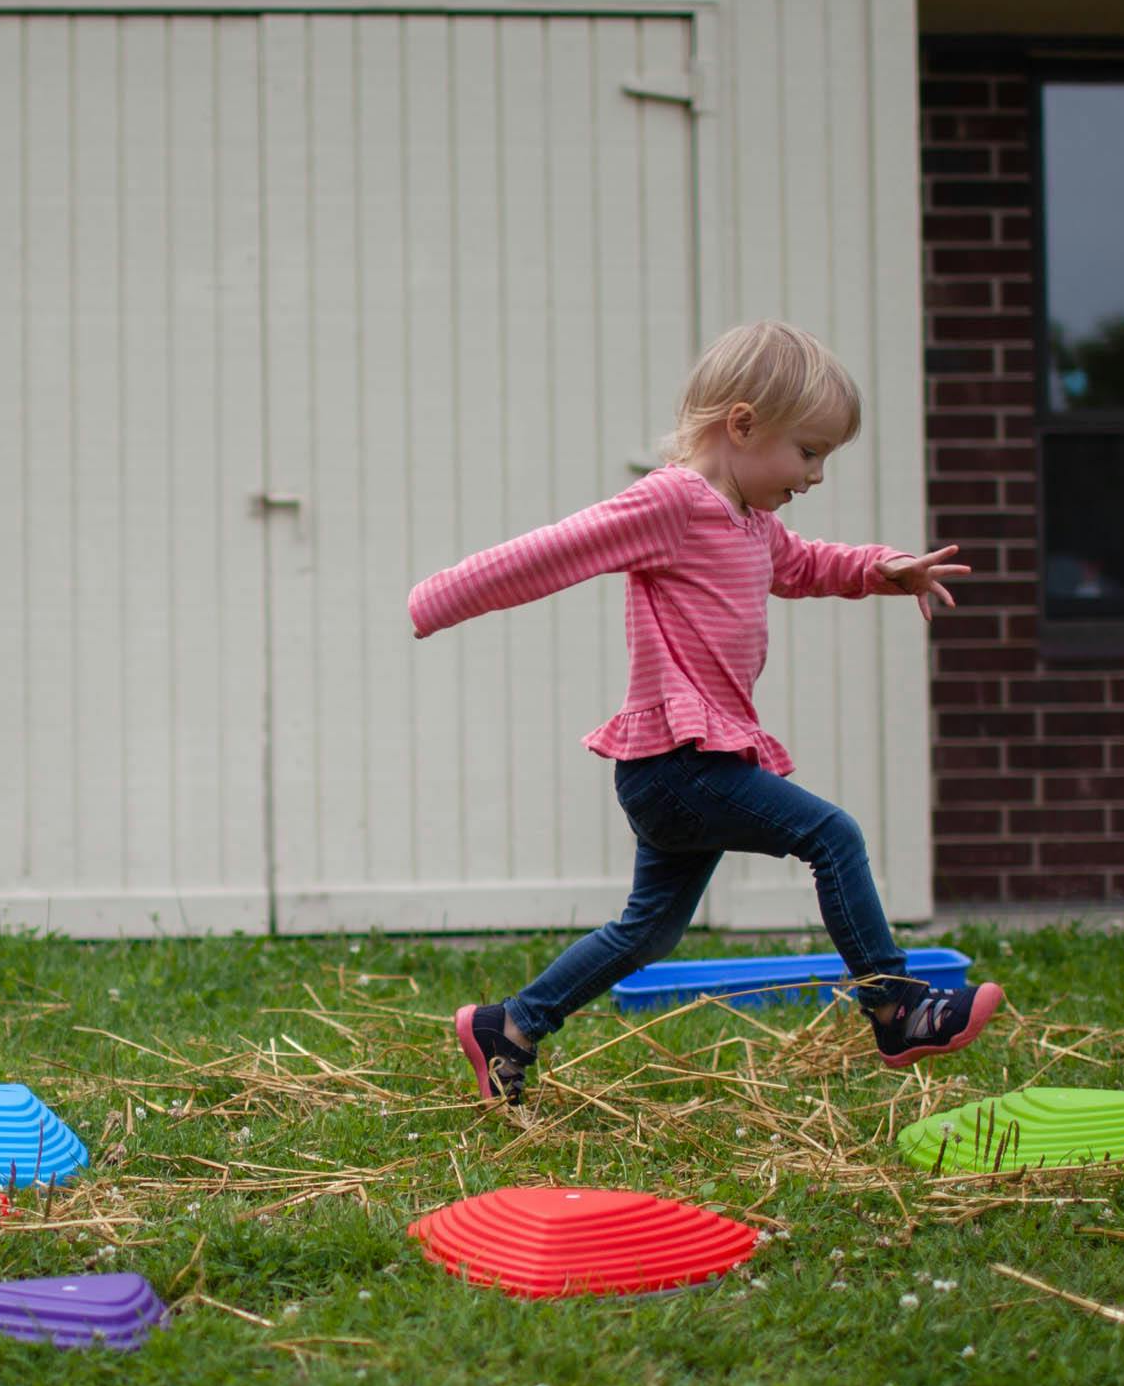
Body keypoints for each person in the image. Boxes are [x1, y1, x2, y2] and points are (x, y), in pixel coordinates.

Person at [410, 319, 1003, 1106]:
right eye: (810, 452)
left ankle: (507, 1030)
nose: (818, 474)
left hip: (691, 765)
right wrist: (435, 600)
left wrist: (879, 569)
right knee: (833, 836)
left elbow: (801, 563)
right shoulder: (674, 502)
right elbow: (552, 551)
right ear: (744, 425)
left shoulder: (751, 521)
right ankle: (897, 1008)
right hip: (677, 767)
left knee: (649, 931)